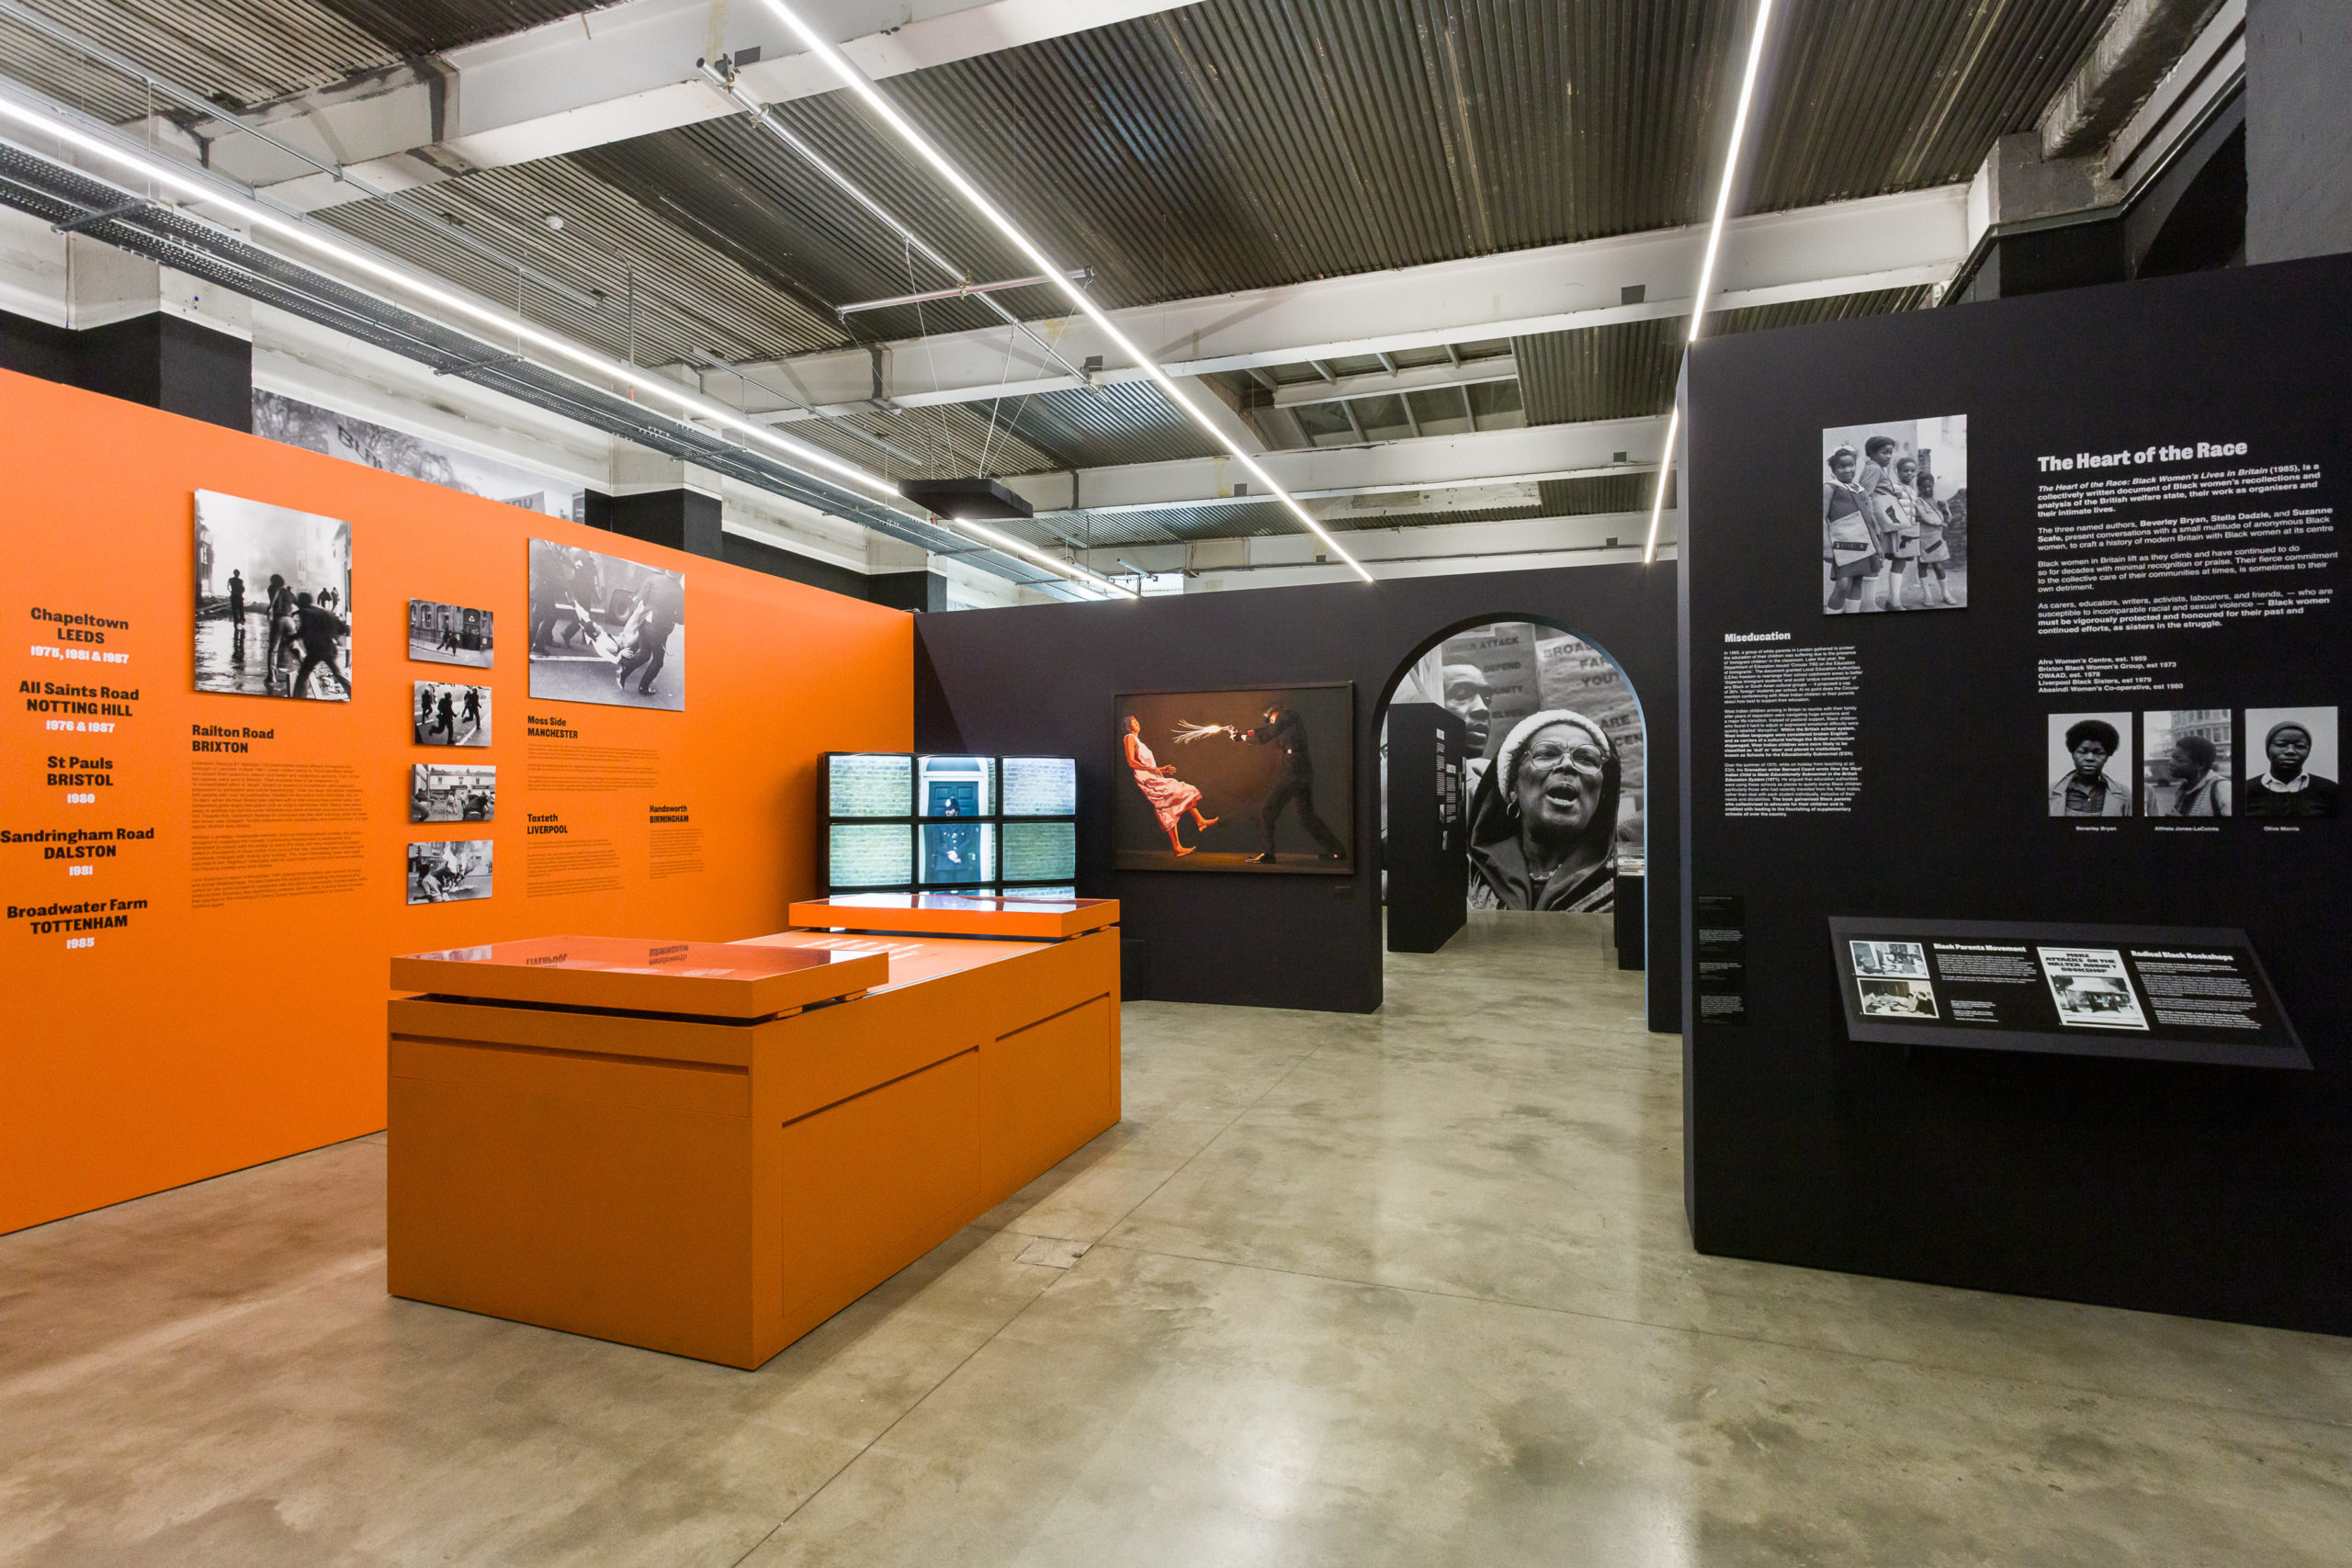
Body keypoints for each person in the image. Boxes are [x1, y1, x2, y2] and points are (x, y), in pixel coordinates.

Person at [1467, 710, 1620, 910]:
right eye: (1547, 753)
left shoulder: (1635, 871)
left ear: (1602, 791)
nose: (1567, 765)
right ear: (1513, 787)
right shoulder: (1469, 876)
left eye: (1586, 759)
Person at [1227, 703, 1346, 863]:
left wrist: (1242, 737)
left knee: (1267, 810)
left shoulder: (1284, 716)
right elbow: (1265, 731)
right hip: (1302, 767)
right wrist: (1243, 734)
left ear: (1274, 714)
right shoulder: (1289, 720)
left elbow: (1264, 736)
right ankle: (1337, 851)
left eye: (1270, 720)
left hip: (1292, 768)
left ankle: (1267, 854)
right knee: (1306, 816)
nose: (1271, 723)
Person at [1123, 715, 1217, 855]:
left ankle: (1180, 845)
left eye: (1137, 720)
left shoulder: (1140, 742)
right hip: (1146, 780)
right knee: (1181, 791)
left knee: (1167, 807)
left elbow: (1147, 764)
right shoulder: (1129, 738)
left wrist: (1161, 769)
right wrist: (1152, 770)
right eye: (1133, 722)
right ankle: (1199, 821)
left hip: (1151, 776)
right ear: (1127, 726)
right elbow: (1131, 762)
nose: (1136, 723)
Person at [1821, 446, 1879, 613]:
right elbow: (1822, 517)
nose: (1847, 470)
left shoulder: (1860, 490)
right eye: (1841, 466)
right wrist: (1826, 547)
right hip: (1843, 543)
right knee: (1843, 583)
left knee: (1858, 580)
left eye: (1851, 465)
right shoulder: (1831, 487)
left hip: (1863, 541)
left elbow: (1868, 522)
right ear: (1833, 469)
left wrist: (1877, 545)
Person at [2245, 721, 2341, 817]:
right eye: (2281, 745)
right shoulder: (2246, 789)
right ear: (2268, 749)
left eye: (2300, 746)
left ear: (2308, 751)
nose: (2290, 751)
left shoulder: (2330, 790)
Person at [2049, 718, 2130, 817]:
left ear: (2107, 756)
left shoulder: (2125, 794)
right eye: (2083, 751)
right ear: (2073, 754)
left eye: (2098, 753)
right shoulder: (2049, 792)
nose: (2090, 758)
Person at [1912, 470, 1961, 607]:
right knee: (1922, 564)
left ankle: (1945, 593)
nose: (1927, 489)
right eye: (1923, 487)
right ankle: (1927, 595)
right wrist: (1941, 523)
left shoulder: (1940, 499)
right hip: (1923, 536)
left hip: (1937, 537)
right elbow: (1924, 517)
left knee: (1938, 565)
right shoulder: (1918, 501)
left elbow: (1948, 517)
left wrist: (1944, 509)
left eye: (1929, 486)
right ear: (1919, 488)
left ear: (1934, 485)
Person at [290, 592, 350, 698]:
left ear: (302, 602)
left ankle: (297, 698)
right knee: (339, 675)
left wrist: (290, 639)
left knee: (303, 675)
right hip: (329, 648)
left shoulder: (305, 612)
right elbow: (343, 628)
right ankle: (354, 694)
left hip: (316, 650)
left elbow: (304, 631)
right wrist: (332, 636)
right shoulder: (322, 611)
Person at [2165, 733, 2229, 817]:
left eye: (2179, 759)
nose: (2171, 763)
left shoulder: (2223, 789)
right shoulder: (2182, 789)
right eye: (2172, 757)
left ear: (2200, 765)